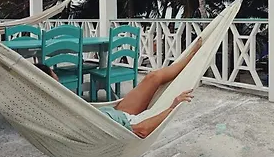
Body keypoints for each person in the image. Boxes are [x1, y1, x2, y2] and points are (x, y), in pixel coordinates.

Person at [33, 38, 201, 138]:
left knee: (153, 77)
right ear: (48, 85)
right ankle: (194, 57)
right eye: (56, 80)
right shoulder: (61, 117)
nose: (60, 82)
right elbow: (142, 131)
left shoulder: (57, 104)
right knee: (154, 79)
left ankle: (190, 57)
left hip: (113, 113)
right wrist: (172, 107)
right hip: (122, 125)